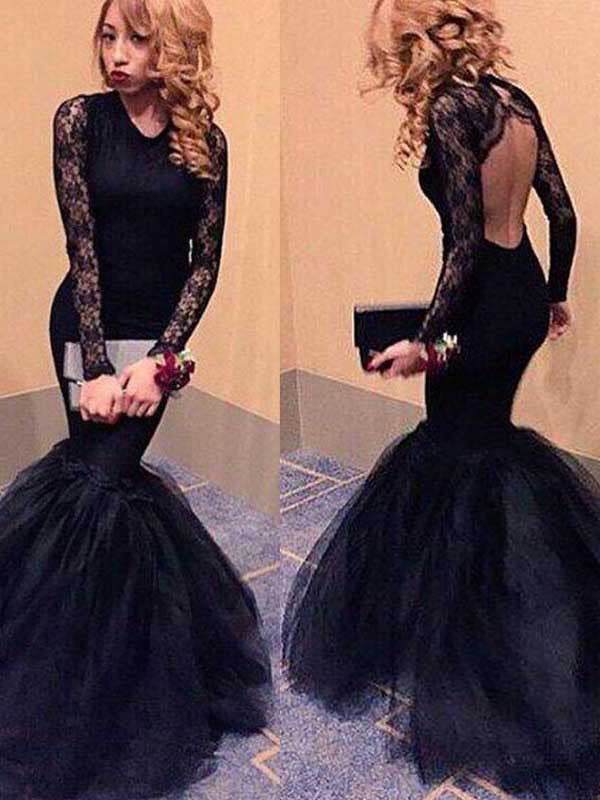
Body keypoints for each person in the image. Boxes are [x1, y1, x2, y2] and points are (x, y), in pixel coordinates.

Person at [282, 1, 600, 797]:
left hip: (476, 308)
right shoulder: (516, 103)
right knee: (483, 449)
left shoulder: (454, 110)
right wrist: (555, 296)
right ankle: (496, 629)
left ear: (421, 42)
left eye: (393, 51)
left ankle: (484, 658)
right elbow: (562, 213)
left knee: (455, 459)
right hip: (520, 298)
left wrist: (426, 342)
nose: (390, 69)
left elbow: (461, 247)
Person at [0, 0, 271, 797]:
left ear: (174, 46)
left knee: (103, 489)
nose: (116, 53)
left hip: (154, 343)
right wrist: (94, 369)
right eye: (109, 35)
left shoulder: (206, 141)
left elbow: (203, 264)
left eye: (139, 39)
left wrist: (160, 361)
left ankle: (108, 683)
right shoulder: (78, 121)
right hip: (85, 329)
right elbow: (81, 250)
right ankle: (58, 681)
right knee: (92, 489)